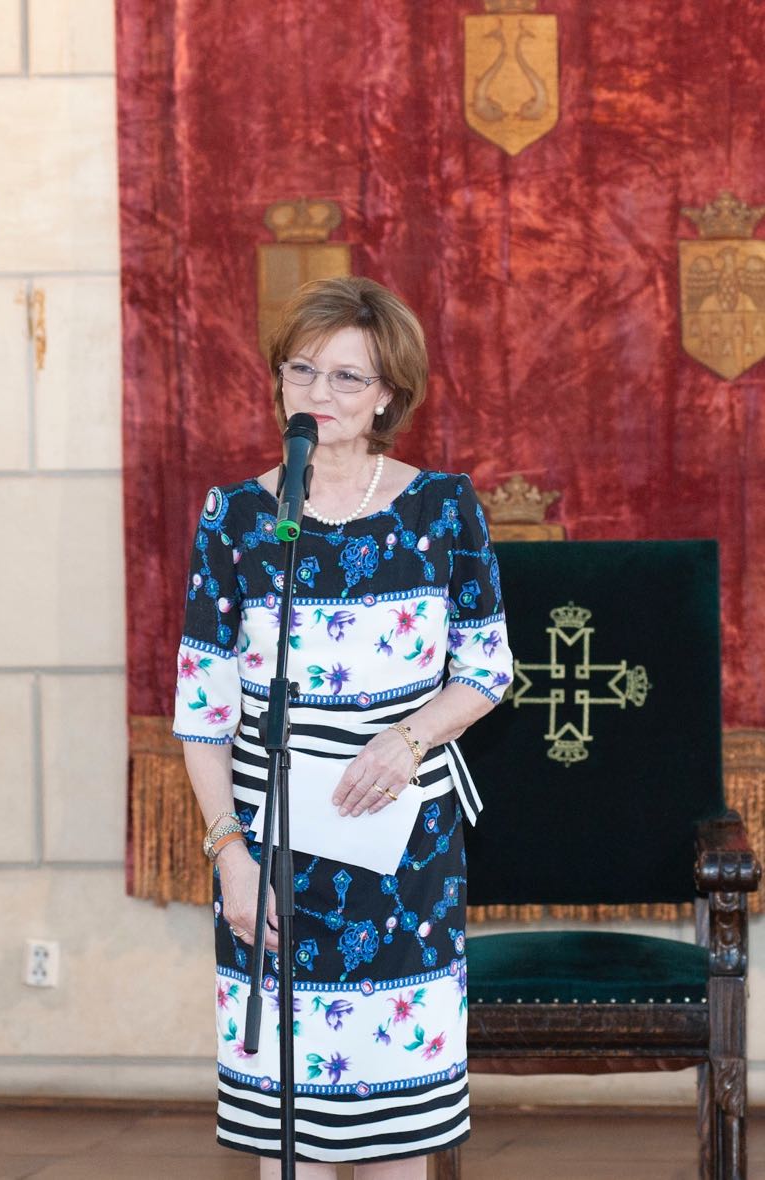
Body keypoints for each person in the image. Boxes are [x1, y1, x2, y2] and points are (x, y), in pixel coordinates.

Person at [172, 276, 513, 1177]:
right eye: (303, 370)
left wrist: (405, 742)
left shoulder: (443, 509)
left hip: (401, 847)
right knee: (288, 1135)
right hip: (269, 853)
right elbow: (203, 712)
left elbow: (485, 670)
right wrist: (229, 857)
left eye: (348, 378)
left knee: (397, 1132)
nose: (320, 395)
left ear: (390, 395)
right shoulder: (237, 517)